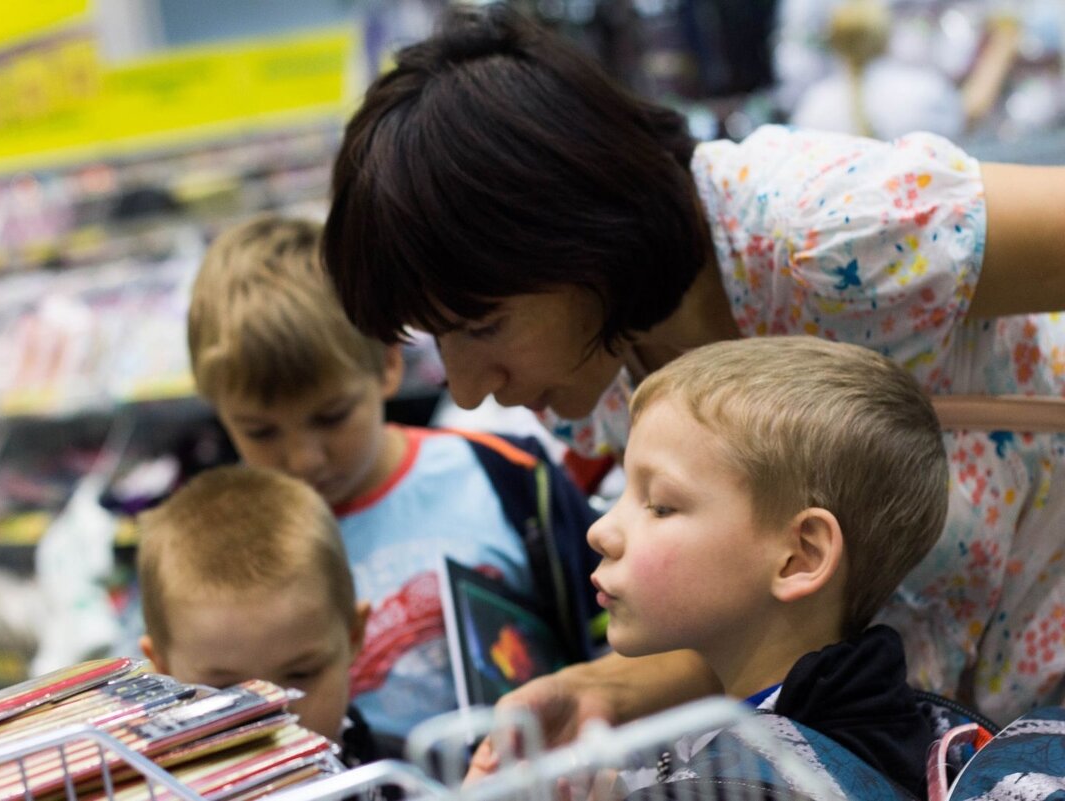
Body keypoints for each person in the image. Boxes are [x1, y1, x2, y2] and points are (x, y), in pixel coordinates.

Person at [321, 2, 1065, 733]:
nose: (471, 388)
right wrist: (605, 690)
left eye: (484, 324)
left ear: (577, 238)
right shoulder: (603, 376)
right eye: (437, 338)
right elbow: (779, 613)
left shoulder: (826, 228)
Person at [187, 213, 602, 743]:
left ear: (387, 364)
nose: (304, 459)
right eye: (260, 431)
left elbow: (612, 632)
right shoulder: (217, 549)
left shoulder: (506, 474)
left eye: (331, 417)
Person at [595, 337, 947, 796]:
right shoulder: (891, 729)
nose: (601, 531)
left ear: (800, 557)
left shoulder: (755, 786)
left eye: (660, 506)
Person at [135, 464, 382, 763]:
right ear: (163, 670)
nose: (272, 712)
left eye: (300, 675)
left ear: (353, 636)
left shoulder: (364, 749)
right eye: (227, 690)